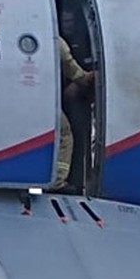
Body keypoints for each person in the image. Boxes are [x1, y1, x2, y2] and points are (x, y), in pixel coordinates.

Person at [51, 38, 96, 194]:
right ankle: (57, 182)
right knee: (64, 134)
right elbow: (70, 66)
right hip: (42, 98)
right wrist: (86, 78)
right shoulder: (55, 38)